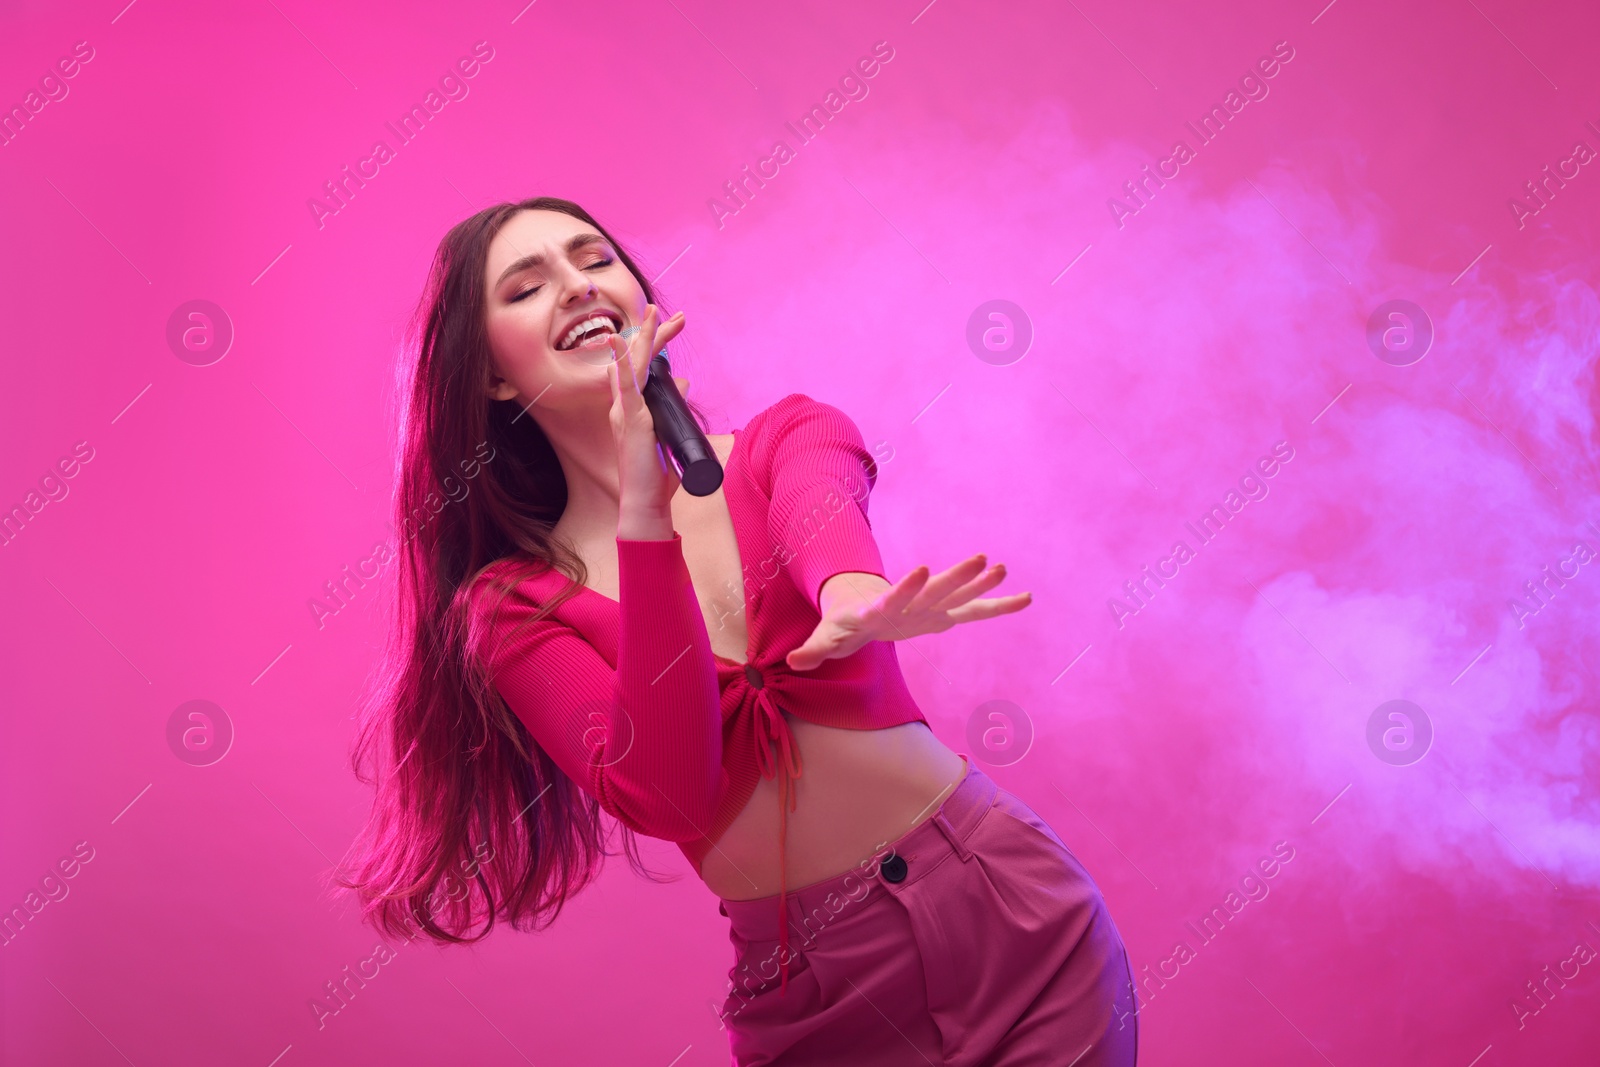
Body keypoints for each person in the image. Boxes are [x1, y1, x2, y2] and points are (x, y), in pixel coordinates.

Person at [339, 196, 1138, 1066]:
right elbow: (671, 792)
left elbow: (824, 518)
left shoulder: (783, 438)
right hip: (818, 998)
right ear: (490, 375)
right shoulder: (509, 607)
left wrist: (852, 597)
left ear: (646, 305)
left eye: (595, 260)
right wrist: (645, 505)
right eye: (528, 287)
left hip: (1015, 921)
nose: (575, 287)